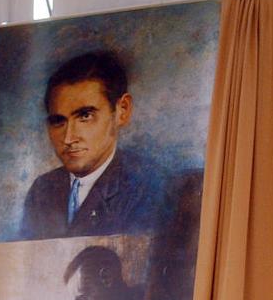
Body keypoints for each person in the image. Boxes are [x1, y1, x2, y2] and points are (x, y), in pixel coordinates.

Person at [20, 51, 173, 240]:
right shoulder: (42, 190)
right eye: (58, 121)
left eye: (85, 116)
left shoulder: (151, 187)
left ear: (122, 110)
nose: (68, 138)